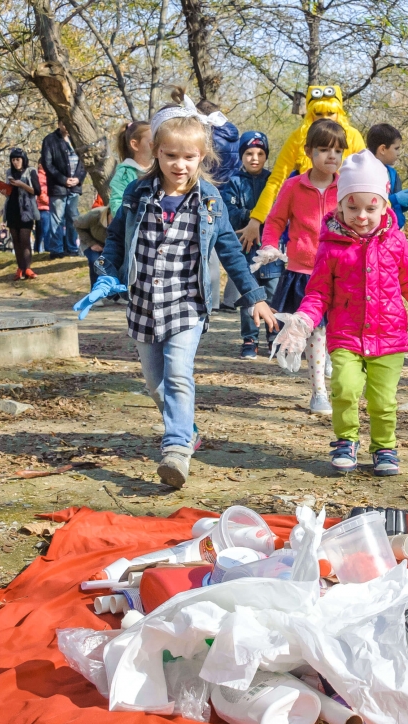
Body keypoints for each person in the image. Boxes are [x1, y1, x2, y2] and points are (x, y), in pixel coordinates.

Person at [86, 101, 278, 489]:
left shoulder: (209, 199)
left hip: (187, 304)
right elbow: (115, 241)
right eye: (171, 155)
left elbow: (230, 252)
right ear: (156, 152)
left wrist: (255, 295)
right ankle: (186, 428)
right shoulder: (139, 193)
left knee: (177, 375)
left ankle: (176, 449)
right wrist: (105, 275)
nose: (179, 165)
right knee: (156, 385)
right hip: (143, 304)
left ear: (201, 156)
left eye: (189, 157)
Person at [275, 149, 408, 476]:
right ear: (339, 205)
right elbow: (319, 290)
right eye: (352, 207)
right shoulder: (331, 245)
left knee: (383, 401)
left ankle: (384, 446)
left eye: (371, 207)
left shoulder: (396, 242)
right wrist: (305, 319)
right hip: (346, 335)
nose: (362, 216)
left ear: (385, 205)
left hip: (389, 336)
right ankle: (346, 440)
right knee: (345, 388)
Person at [259, 119, 345, 414]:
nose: (331, 156)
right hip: (304, 273)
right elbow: (275, 220)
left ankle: (332, 366)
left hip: (341, 272)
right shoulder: (294, 185)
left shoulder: (346, 185)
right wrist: (270, 245)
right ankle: (319, 391)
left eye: (337, 150)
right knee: (316, 333)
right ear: (309, 151)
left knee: (336, 330)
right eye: (323, 149)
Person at [247, 85, 366, 245]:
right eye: (319, 113)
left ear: (339, 113)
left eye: (331, 113)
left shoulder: (352, 136)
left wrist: (385, 214)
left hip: (344, 223)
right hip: (305, 224)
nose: (325, 118)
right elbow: (276, 180)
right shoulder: (298, 138)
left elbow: (368, 178)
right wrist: (256, 218)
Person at [221, 130, 280, 358]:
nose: (254, 158)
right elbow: (231, 214)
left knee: (273, 294)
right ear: (241, 156)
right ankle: (249, 339)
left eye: (259, 153)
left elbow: (280, 212)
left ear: (266, 156)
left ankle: (274, 337)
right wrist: (253, 216)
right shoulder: (234, 182)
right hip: (245, 250)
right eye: (248, 153)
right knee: (249, 295)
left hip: (272, 250)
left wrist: (262, 221)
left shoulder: (274, 181)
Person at [41, 120, 86, 257]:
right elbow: (47, 164)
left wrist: (78, 178)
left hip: (74, 186)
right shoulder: (50, 140)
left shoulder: (77, 139)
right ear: (59, 124)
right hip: (58, 186)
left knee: (73, 217)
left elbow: (84, 162)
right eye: (64, 123)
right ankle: (57, 249)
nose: (66, 127)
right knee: (57, 218)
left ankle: (72, 248)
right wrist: (63, 180)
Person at [0, 147, 40, 280]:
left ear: (23, 159)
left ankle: (28, 268)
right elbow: (10, 192)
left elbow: (37, 191)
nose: (15, 162)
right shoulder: (9, 172)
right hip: (12, 209)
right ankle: (20, 267)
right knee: (15, 240)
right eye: (13, 160)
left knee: (25, 239)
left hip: (27, 210)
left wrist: (21, 184)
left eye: (18, 159)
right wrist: (4, 190)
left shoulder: (31, 171)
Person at [367, 123, 408, 228]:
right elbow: (368, 204)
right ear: (383, 149)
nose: (398, 153)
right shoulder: (366, 173)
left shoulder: (393, 174)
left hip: (395, 228)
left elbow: (396, 207)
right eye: (396, 148)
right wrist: (394, 199)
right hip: (376, 229)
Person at [109, 121, 152, 215]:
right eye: (152, 141)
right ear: (135, 145)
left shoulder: (160, 169)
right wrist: (129, 222)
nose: (156, 144)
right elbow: (117, 203)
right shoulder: (125, 173)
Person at [75, 204, 111, 284]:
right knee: (96, 261)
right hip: (90, 241)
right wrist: (92, 243)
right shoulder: (95, 215)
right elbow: (77, 224)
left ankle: (113, 291)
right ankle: (95, 290)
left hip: (109, 245)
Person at [35, 166, 50, 253]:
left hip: (42, 208)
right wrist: (50, 202)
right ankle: (47, 249)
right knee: (45, 231)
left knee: (39, 232)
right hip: (44, 208)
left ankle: (37, 250)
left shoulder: (44, 176)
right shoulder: (41, 177)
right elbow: (40, 193)